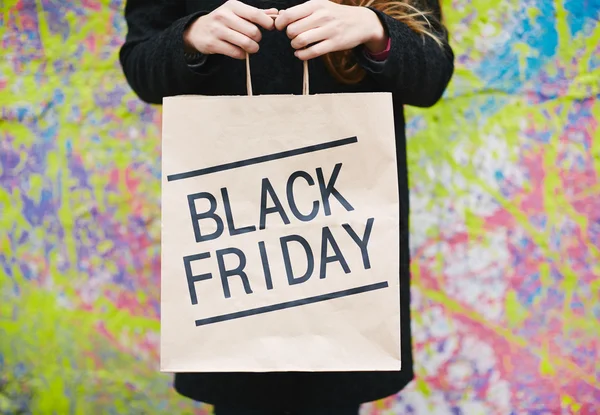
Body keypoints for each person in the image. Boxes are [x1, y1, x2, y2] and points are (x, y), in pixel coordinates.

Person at [119, 0, 454, 413]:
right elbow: (141, 68)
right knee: (243, 395)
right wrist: (189, 38)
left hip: (343, 233)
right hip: (235, 231)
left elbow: (433, 75)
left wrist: (375, 30)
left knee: (333, 396)